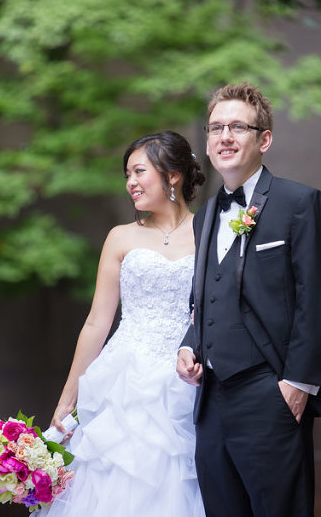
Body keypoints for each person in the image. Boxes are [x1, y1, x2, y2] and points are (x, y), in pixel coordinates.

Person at [177, 82, 321, 517]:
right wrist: (188, 345)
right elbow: (208, 298)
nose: (225, 137)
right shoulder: (206, 217)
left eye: (237, 126)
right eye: (216, 128)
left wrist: (297, 385)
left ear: (264, 139)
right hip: (210, 402)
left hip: (270, 394)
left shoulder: (301, 203)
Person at [39, 131, 206, 516]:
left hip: (185, 381)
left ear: (173, 174)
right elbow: (97, 322)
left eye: (139, 171)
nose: (130, 182)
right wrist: (68, 400)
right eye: (127, 174)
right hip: (123, 377)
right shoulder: (120, 237)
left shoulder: (208, 233)